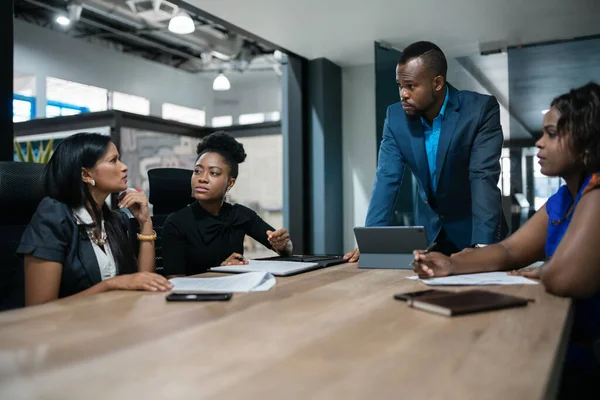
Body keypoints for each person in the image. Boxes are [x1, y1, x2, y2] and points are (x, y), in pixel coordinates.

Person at [412, 82, 600, 396]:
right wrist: (451, 264)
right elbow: (510, 250)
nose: (540, 143)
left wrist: (544, 270)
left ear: (586, 143)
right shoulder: (562, 199)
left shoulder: (596, 192)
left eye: (551, 134)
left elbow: (567, 279)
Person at [344, 41, 507, 262]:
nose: (403, 94)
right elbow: (386, 178)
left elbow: (483, 177)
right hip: (431, 236)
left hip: (475, 231)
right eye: (399, 85)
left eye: (410, 86)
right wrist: (372, 241)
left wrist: (483, 246)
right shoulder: (395, 118)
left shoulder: (480, 111)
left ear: (437, 83)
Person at [17, 133, 172, 306]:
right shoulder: (54, 216)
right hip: (65, 328)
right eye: (113, 161)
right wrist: (111, 285)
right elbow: (39, 307)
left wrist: (145, 223)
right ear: (85, 174)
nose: (124, 167)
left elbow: (145, 283)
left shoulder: (113, 220)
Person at [161, 131, 292, 276]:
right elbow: (174, 281)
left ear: (230, 183)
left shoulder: (240, 214)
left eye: (214, 173)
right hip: (197, 296)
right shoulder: (176, 223)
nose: (202, 178)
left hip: (238, 293)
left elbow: (284, 249)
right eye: (197, 171)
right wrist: (220, 270)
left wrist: (282, 244)